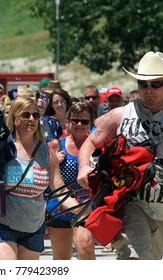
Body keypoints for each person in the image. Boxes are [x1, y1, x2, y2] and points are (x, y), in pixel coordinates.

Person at [77, 51, 163, 260]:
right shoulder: (121, 114)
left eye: (156, 84)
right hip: (130, 204)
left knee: (149, 261)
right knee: (141, 257)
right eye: (142, 84)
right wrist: (84, 165)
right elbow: (91, 141)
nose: (148, 90)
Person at [0, 96, 85, 260]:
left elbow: (60, 191)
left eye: (35, 115)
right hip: (1, 224)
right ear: (14, 117)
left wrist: (83, 211)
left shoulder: (45, 150)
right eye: (26, 115)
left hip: (34, 229)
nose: (32, 119)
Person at [46, 102, 96, 260]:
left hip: (87, 206)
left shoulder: (98, 147)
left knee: (85, 245)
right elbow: (45, 177)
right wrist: (53, 161)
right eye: (75, 120)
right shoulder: (56, 145)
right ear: (67, 122)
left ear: (91, 123)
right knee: (62, 258)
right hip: (60, 207)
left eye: (84, 121)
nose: (79, 124)